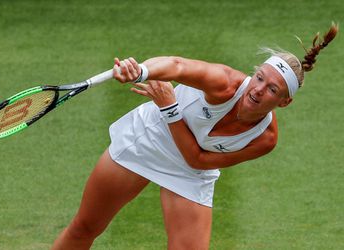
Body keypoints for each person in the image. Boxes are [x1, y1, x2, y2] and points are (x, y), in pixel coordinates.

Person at [51, 23, 338, 249]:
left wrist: (170, 108)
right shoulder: (224, 83)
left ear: (284, 102)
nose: (259, 89)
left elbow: (197, 160)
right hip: (151, 138)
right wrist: (142, 71)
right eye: (260, 77)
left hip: (190, 168)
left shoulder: (265, 139)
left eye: (273, 90)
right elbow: (177, 66)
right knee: (85, 227)